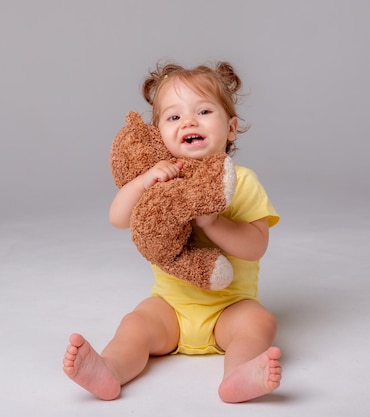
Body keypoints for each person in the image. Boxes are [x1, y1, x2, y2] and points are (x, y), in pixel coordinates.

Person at [63, 61, 282, 403]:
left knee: (260, 323)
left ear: (231, 128)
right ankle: (110, 368)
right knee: (135, 325)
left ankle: (239, 373)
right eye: (174, 117)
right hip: (170, 307)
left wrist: (212, 221)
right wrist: (143, 181)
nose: (189, 122)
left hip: (229, 307)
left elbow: (256, 246)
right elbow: (118, 218)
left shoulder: (243, 181)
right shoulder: (160, 179)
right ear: (159, 134)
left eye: (204, 111)